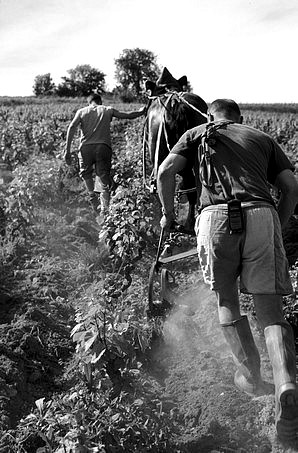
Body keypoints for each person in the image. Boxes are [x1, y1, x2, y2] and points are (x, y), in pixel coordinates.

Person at [157, 99, 298, 441]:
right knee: (270, 311)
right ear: (241, 118)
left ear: (210, 116)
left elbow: (165, 172)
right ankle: (286, 384)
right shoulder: (261, 137)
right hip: (261, 212)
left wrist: (170, 214)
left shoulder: (196, 133)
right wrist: (276, 223)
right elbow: (292, 187)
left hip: (215, 217)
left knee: (227, 301)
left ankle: (250, 376)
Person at [64, 93, 145, 221]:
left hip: (85, 148)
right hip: (103, 147)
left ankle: (92, 195)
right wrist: (141, 112)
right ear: (100, 101)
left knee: (86, 173)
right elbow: (128, 115)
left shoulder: (81, 111)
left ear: (89, 103)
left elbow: (72, 127)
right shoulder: (107, 109)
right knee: (102, 175)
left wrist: (67, 150)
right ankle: (104, 209)